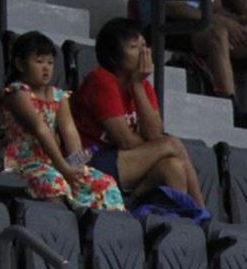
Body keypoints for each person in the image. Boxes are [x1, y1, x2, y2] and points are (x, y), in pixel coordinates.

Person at [73, 18, 207, 203]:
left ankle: (181, 224)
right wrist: (149, 142)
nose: (144, 53)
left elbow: (154, 134)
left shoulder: (142, 84)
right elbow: (125, 141)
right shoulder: (101, 80)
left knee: (173, 167)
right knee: (172, 145)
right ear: (114, 56)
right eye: (134, 47)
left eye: (145, 45)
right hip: (88, 161)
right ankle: (201, 212)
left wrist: (137, 85)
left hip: (124, 162)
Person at [0, 32, 126, 212]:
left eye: (50, 63)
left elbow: (69, 130)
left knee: (105, 183)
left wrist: (76, 165)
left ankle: (95, 231)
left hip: (55, 163)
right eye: (39, 61)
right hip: (23, 163)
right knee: (54, 182)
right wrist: (64, 168)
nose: (46, 68)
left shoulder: (59, 96)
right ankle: (61, 229)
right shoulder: (17, 93)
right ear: (20, 64)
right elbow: (40, 129)